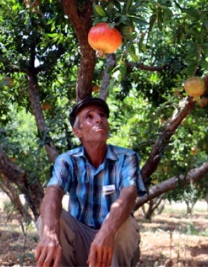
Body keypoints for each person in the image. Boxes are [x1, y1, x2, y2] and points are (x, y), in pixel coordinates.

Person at [35, 97, 146, 267]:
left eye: (102, 115)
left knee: (125, 223)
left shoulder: (126, 157)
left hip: (113, 241)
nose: (99, 119)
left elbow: (129, 194)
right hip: (79, 242)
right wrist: (50, 233)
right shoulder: (67, 160)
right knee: (49, 218)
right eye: (90, 116)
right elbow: (53, 192)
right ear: (77, 131)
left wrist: (106, 233)